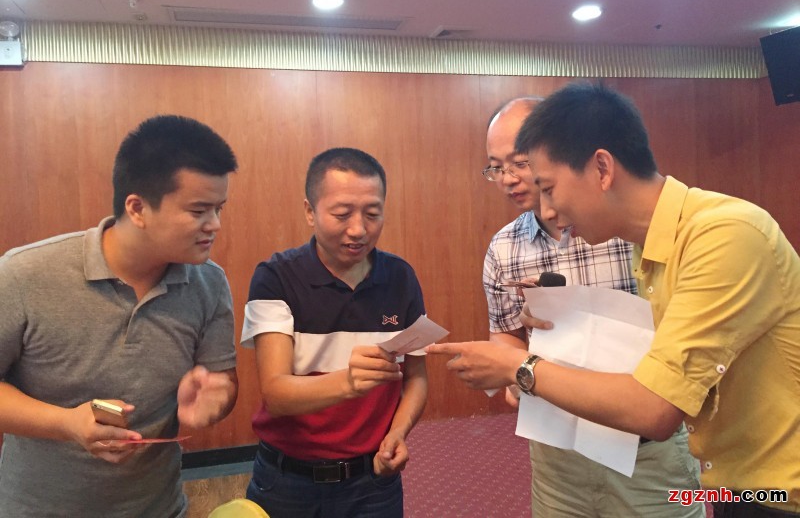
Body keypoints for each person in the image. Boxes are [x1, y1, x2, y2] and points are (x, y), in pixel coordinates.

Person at [429, 82, 800, 515]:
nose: (546, 211)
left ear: (602, 169)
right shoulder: (651, 247)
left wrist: (520, 367)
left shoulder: (724, 234)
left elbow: (654, 409)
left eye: (548, 187)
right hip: (736, 485)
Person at [0, 115, 239, 517]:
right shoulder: (24, 275)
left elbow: (224, 381)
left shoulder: (209, 284)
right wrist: (66, 424)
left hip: (158, 507)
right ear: (138, 208)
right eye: (199, 210)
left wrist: (216, 398)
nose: (214, 225)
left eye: (219, 209)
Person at [482, 96, 702, 517]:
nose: (508, 178)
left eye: (520, 162)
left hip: (644, 446)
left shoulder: (628, 225)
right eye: (495, 167)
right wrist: (514, 372)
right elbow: (506, 335)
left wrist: (524, 369)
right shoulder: (503, 247)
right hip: (557, 448)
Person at [240, 147, 428, 518]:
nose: (358, 229)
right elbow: (276, 394)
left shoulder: (401, 278)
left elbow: (416, 378)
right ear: (310, 211)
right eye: (342, 214)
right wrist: (349, 382)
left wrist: (398, 433)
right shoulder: (276, 277)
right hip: (287, 480)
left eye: (372, 214)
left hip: (373, 482)